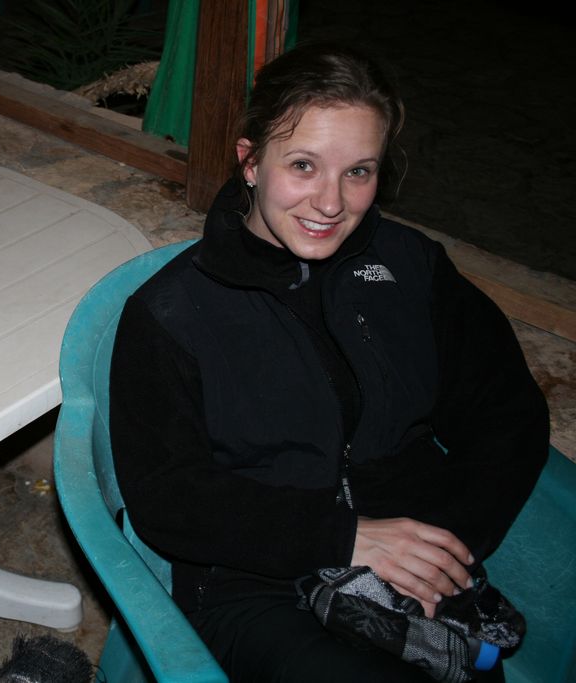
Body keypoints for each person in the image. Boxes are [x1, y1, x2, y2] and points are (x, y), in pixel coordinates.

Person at [109, 42, 549, 682]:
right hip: (256, 581)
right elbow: (166, 497)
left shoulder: (411, 267)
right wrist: (342, 537)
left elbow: (506, 413)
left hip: (411, 553)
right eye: (303, 166)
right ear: (250, 162)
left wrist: (442, 546)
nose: (330, 202)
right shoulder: (171, 312)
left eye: (358, 171)